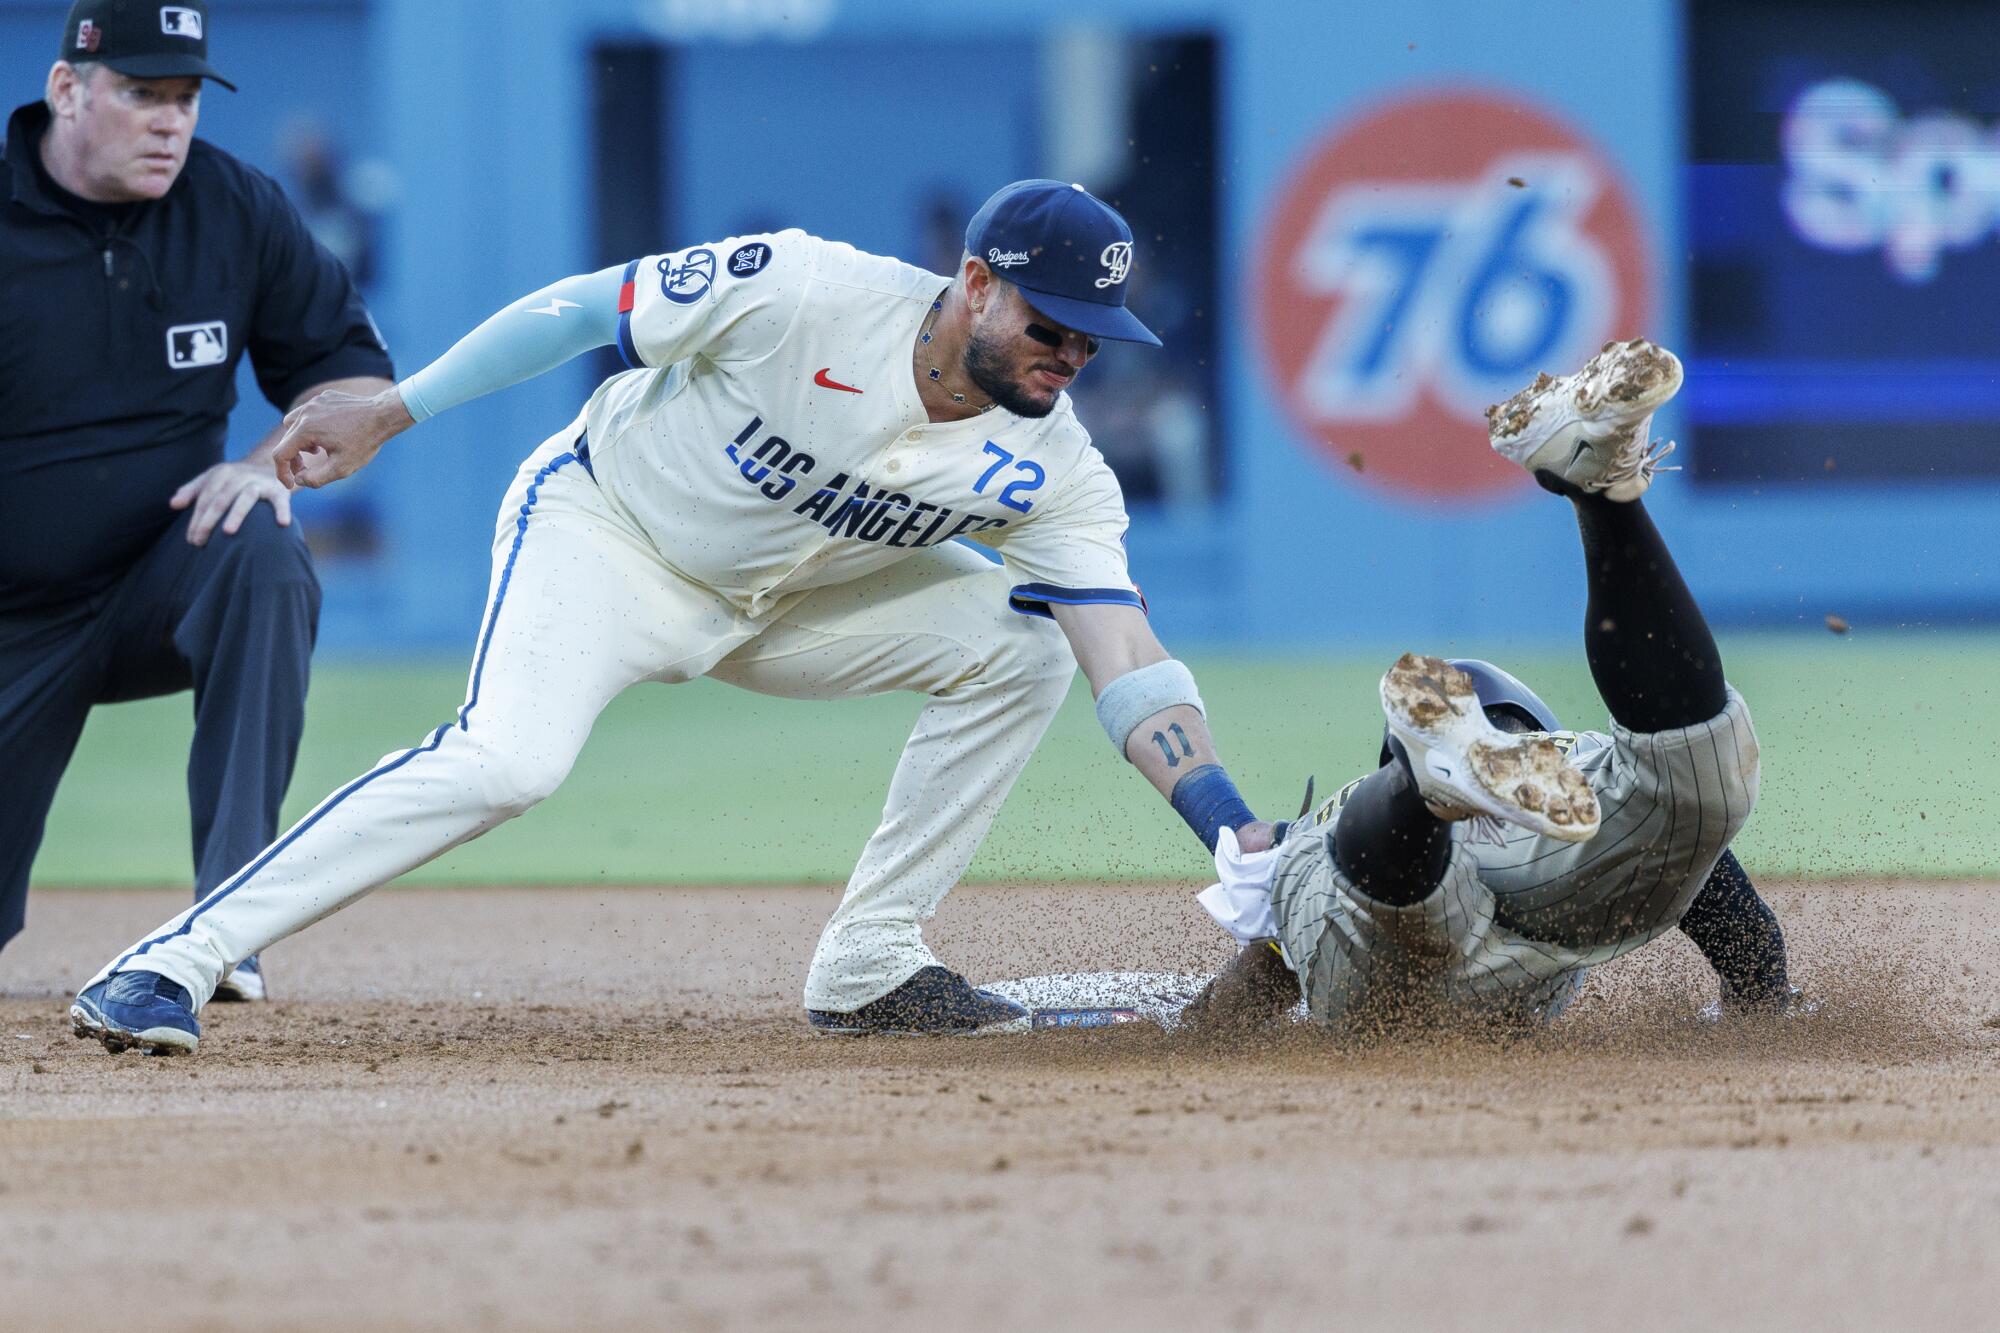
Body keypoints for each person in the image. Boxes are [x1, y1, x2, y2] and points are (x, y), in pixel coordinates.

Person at [69, 179, 1268, 1052]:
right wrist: (394, 410)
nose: (1069, 354)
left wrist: (1226, 824)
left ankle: (870, 963)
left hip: (782, 600)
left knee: (1025, 642)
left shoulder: (1056, 467)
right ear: (974, 284)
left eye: (1092, 338)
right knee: (509, 762)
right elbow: (575, 310)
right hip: (608, 537)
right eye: (1048, 324)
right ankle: (172, 959)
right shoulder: (805, 289)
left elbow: (1123, 649)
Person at [1184, 339, 1799, 1034]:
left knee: (1377, 904)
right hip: (1533, 890)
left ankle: (1419, 791)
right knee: (1690, 786)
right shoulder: (1572, 780)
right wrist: (1765, 996)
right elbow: (1707, 864)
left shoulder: (1323, 827)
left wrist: (1207, 1017)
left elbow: (1230, 1012)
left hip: (1374, 892)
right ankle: (1605, 495)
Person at [1, 0, 394, 998]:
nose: (170, 121)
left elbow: (355, 379)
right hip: (12, 615)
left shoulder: (233, 206)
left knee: (263, 544)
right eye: (143, 94)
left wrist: (266, 463)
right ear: (66, 89)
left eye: (185, 98)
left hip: (158, 583)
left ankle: (226, 925)